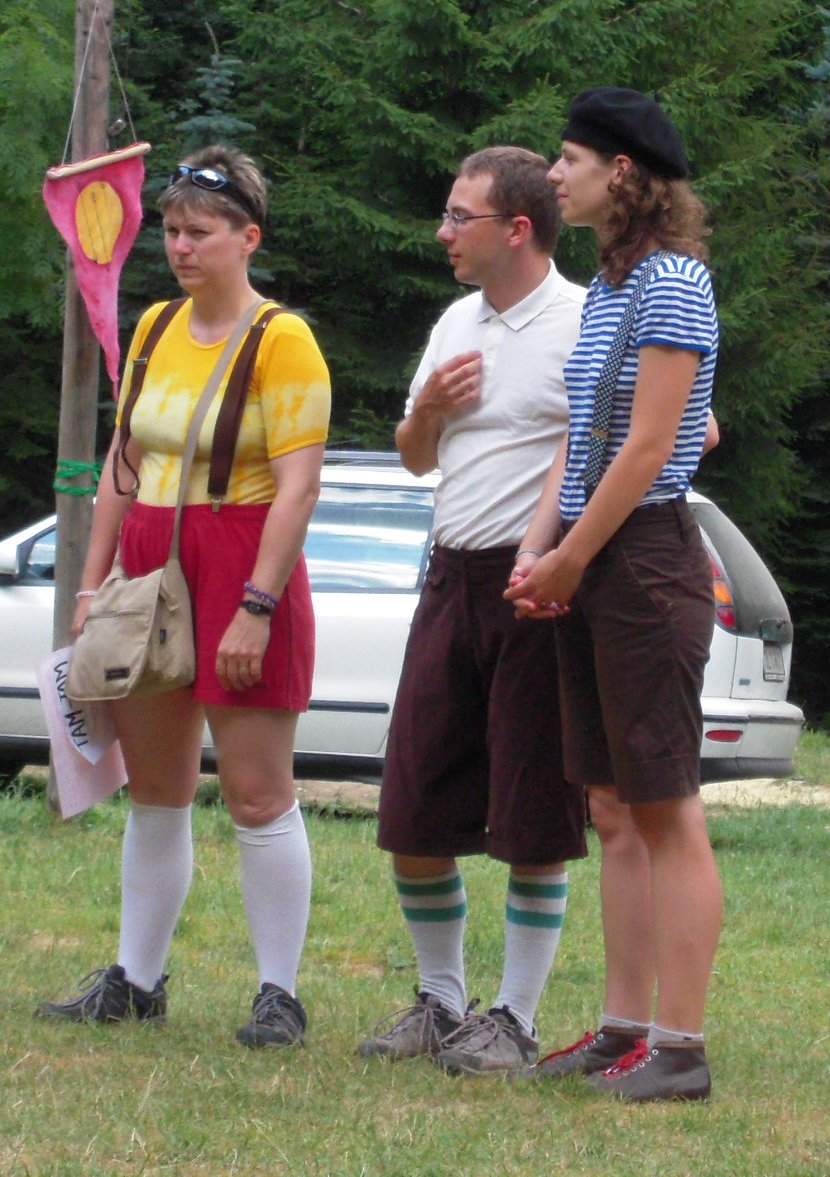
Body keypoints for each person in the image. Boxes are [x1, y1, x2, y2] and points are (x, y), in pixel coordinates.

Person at [36, 145, 331, 1049]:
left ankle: (278, 993)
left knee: (256, 791)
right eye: (169, 230)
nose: (180, 246)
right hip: (150, 563)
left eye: (199, 231)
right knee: (156, 790)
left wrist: (257, 605)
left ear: (249, 237)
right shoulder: (157, 327)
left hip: (242, 555)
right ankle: (137, 978)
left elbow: (299, 487)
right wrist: (93, 583)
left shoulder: (282, 338)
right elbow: (123, 462)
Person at [505, 87, 722, 1102]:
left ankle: (680, 1049)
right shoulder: (611, 286)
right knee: (613, 807)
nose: (554, 175)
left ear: (622, 173)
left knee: (665, 807)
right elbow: (581, 435)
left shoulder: (673, 281)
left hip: (643, 561)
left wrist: (573, 557)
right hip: (597, 556)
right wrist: (537, 546)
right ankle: (625, 1030)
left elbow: (649, 448)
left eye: (569, 159)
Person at [356, 146, 588, 1076]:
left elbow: (631, 441)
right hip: (449, 574)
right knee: (413, 803)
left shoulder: (583, 320)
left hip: (532, 588)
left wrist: (556, 555)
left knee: (534, 812)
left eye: (461, 217)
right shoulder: (457, 319)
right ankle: (442, 1001)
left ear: (517, 229)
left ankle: (515, 1017)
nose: (442, 232)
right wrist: (427, 410)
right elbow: (416, 455)